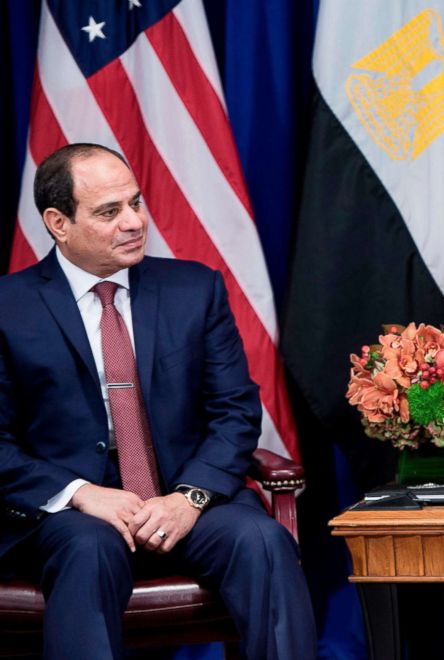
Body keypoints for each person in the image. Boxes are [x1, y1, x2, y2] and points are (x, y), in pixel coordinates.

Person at [0, 143, 317, 659]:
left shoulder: (195, 289)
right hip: (71, 516)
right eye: (110, 211)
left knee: (262, 541)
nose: (133, 222)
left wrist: (188, 499)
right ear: (58, 222)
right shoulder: (8, 308)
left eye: (136, 203)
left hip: (187, 499)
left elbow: (235, 412)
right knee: (87, 549)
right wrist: (80, 492)